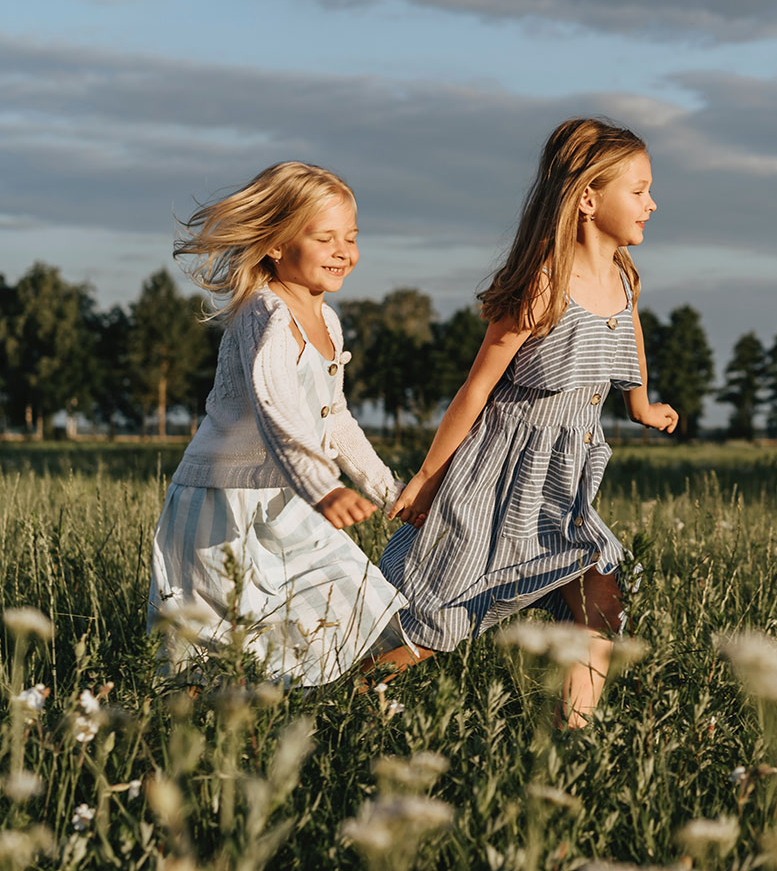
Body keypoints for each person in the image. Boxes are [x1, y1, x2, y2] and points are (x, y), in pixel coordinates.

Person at [374, 117, 678, 727]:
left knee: (602, 595)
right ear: (588, 198)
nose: (653, 202)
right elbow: (476, 388)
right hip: (501, 473)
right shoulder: (542, 288)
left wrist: (638, 403)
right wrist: (429, 479)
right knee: (445, 614)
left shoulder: (622, 276)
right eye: (639, 190)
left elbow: (631, 329)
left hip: (563, 482)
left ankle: (573, 734)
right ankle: (354, 686)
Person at [148, 161, 410, 686]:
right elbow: (277, 413)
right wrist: (324, 488)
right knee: (216, 652)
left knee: (357, 599)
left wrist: (389, 491)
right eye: (325, 238)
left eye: (352, 237)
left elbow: (333, 418)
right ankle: (189, 743)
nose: (344, 251)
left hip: (292, 498)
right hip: (223, 503)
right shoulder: (263, 312)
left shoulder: (329, 321)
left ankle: (331, 711)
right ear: (275, 243)